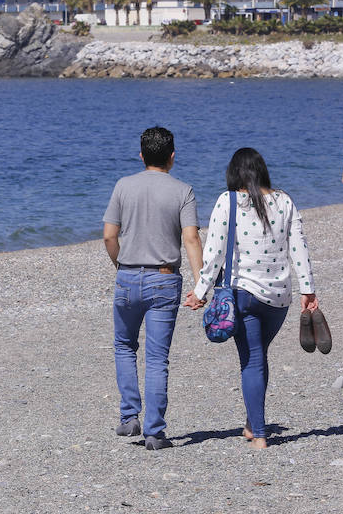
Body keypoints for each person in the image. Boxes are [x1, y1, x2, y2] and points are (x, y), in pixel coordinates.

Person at [184, 148, 320, 449]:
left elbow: (215, 252)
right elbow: (299, 247)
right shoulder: (285, 201)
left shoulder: (228, 201)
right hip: (279, 297)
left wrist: (200, 290)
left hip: (243, 294)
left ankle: (259, 435)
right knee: (258, 356)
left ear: (234, 173)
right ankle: (251, 423)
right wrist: (307, 289)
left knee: (253, 359)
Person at [103, 127, 203, 450]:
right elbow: (190, 239)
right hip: (165, 278)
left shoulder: (123, 186)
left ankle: (129, 415)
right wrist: (202, 283)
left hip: (128, 276)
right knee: (158, 358)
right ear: (172, 157)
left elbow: (109, 236)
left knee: (124, 346)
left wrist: (121, 264)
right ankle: (155, 432)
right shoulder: (183, 191)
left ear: (142, 154)